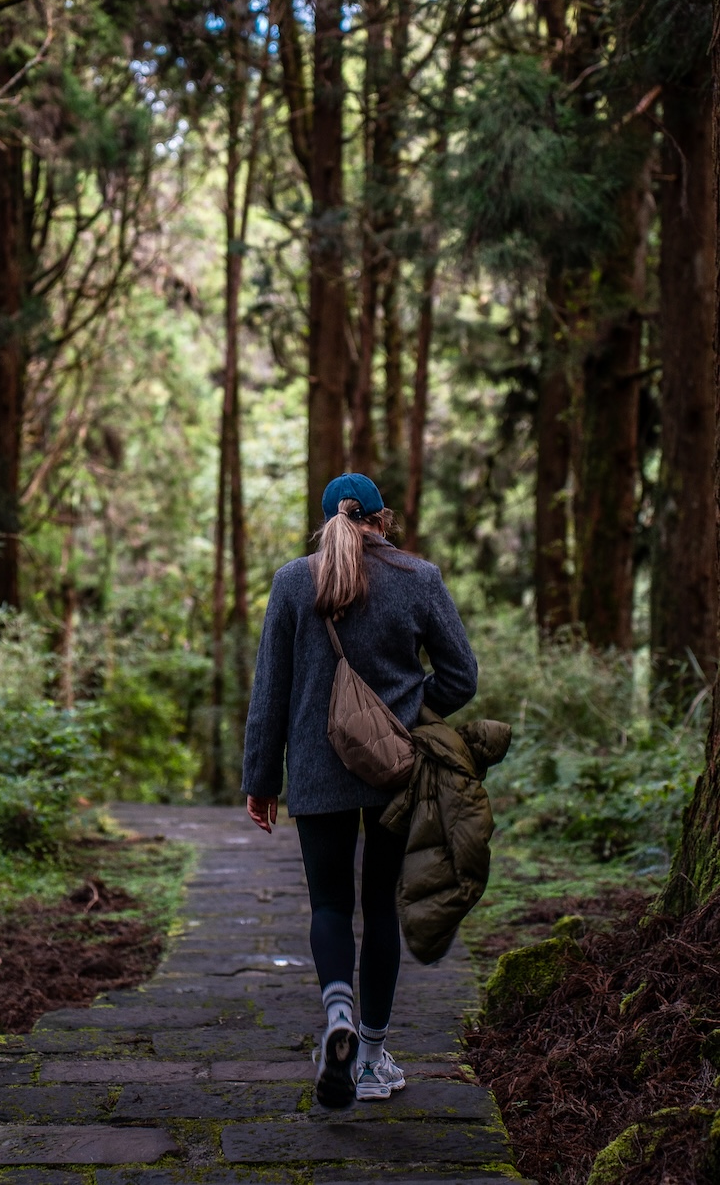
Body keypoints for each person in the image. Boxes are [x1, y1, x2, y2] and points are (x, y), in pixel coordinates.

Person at [241, 473, 478, 1110]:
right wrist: (409, 710)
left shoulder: (294, 581)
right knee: (379, 906)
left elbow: (271, 691)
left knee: (328, 906)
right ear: (383, 519)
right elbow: (462, 676)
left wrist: (261, 781)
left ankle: (337, 1013)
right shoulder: (419, 579)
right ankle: (371, 1058)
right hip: (396, 771)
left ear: (326, 522)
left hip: (317, 772)